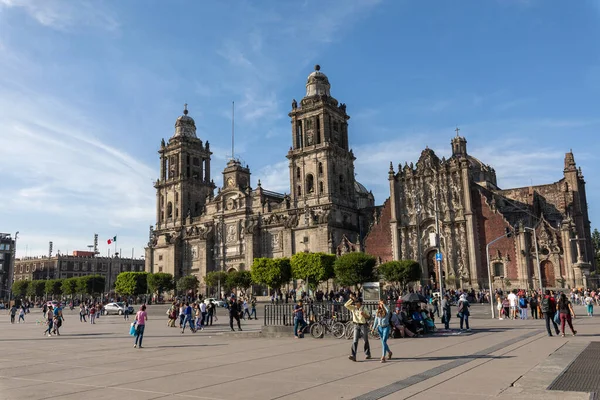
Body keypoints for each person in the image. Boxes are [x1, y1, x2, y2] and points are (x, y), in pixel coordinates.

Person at [344, 294, 371, 362]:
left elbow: (368, 316)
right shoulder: (353, 308)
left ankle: (367, 353)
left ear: (360, 303)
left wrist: (364, 314)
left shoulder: (364, 308)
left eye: (357, 302)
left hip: (363, 325)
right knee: (355, 340)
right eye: (355, 302)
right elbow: (346, 305)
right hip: (356, 325)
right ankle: (353, 355)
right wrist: (352, 299)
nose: (355, 303)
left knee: (365, 340)